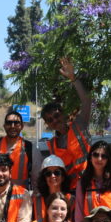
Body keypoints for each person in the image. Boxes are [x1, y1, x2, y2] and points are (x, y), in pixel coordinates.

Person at [41, 57, 92, 188]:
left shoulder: (79, 125)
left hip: (90, 184)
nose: (55, 120)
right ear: (48, 124)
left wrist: (73, 78)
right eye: (50, 120)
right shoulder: (52, 145)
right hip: (71, 191)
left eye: (56, 115)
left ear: (63, 114)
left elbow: (86, 101)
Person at [0, 109, 38, 189]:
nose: (12, 126)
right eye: (9, 123)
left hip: (20, 194)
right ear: (4, 126)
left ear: (22, 126)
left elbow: (36, 176)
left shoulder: (29, 147)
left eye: (16, 123)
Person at [33, 155, 73, 222]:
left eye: (57, 173)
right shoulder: (37, 200)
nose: (52, 176)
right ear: (44, 178)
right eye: (48, 173)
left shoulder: (71, 200)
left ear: (63, 177)